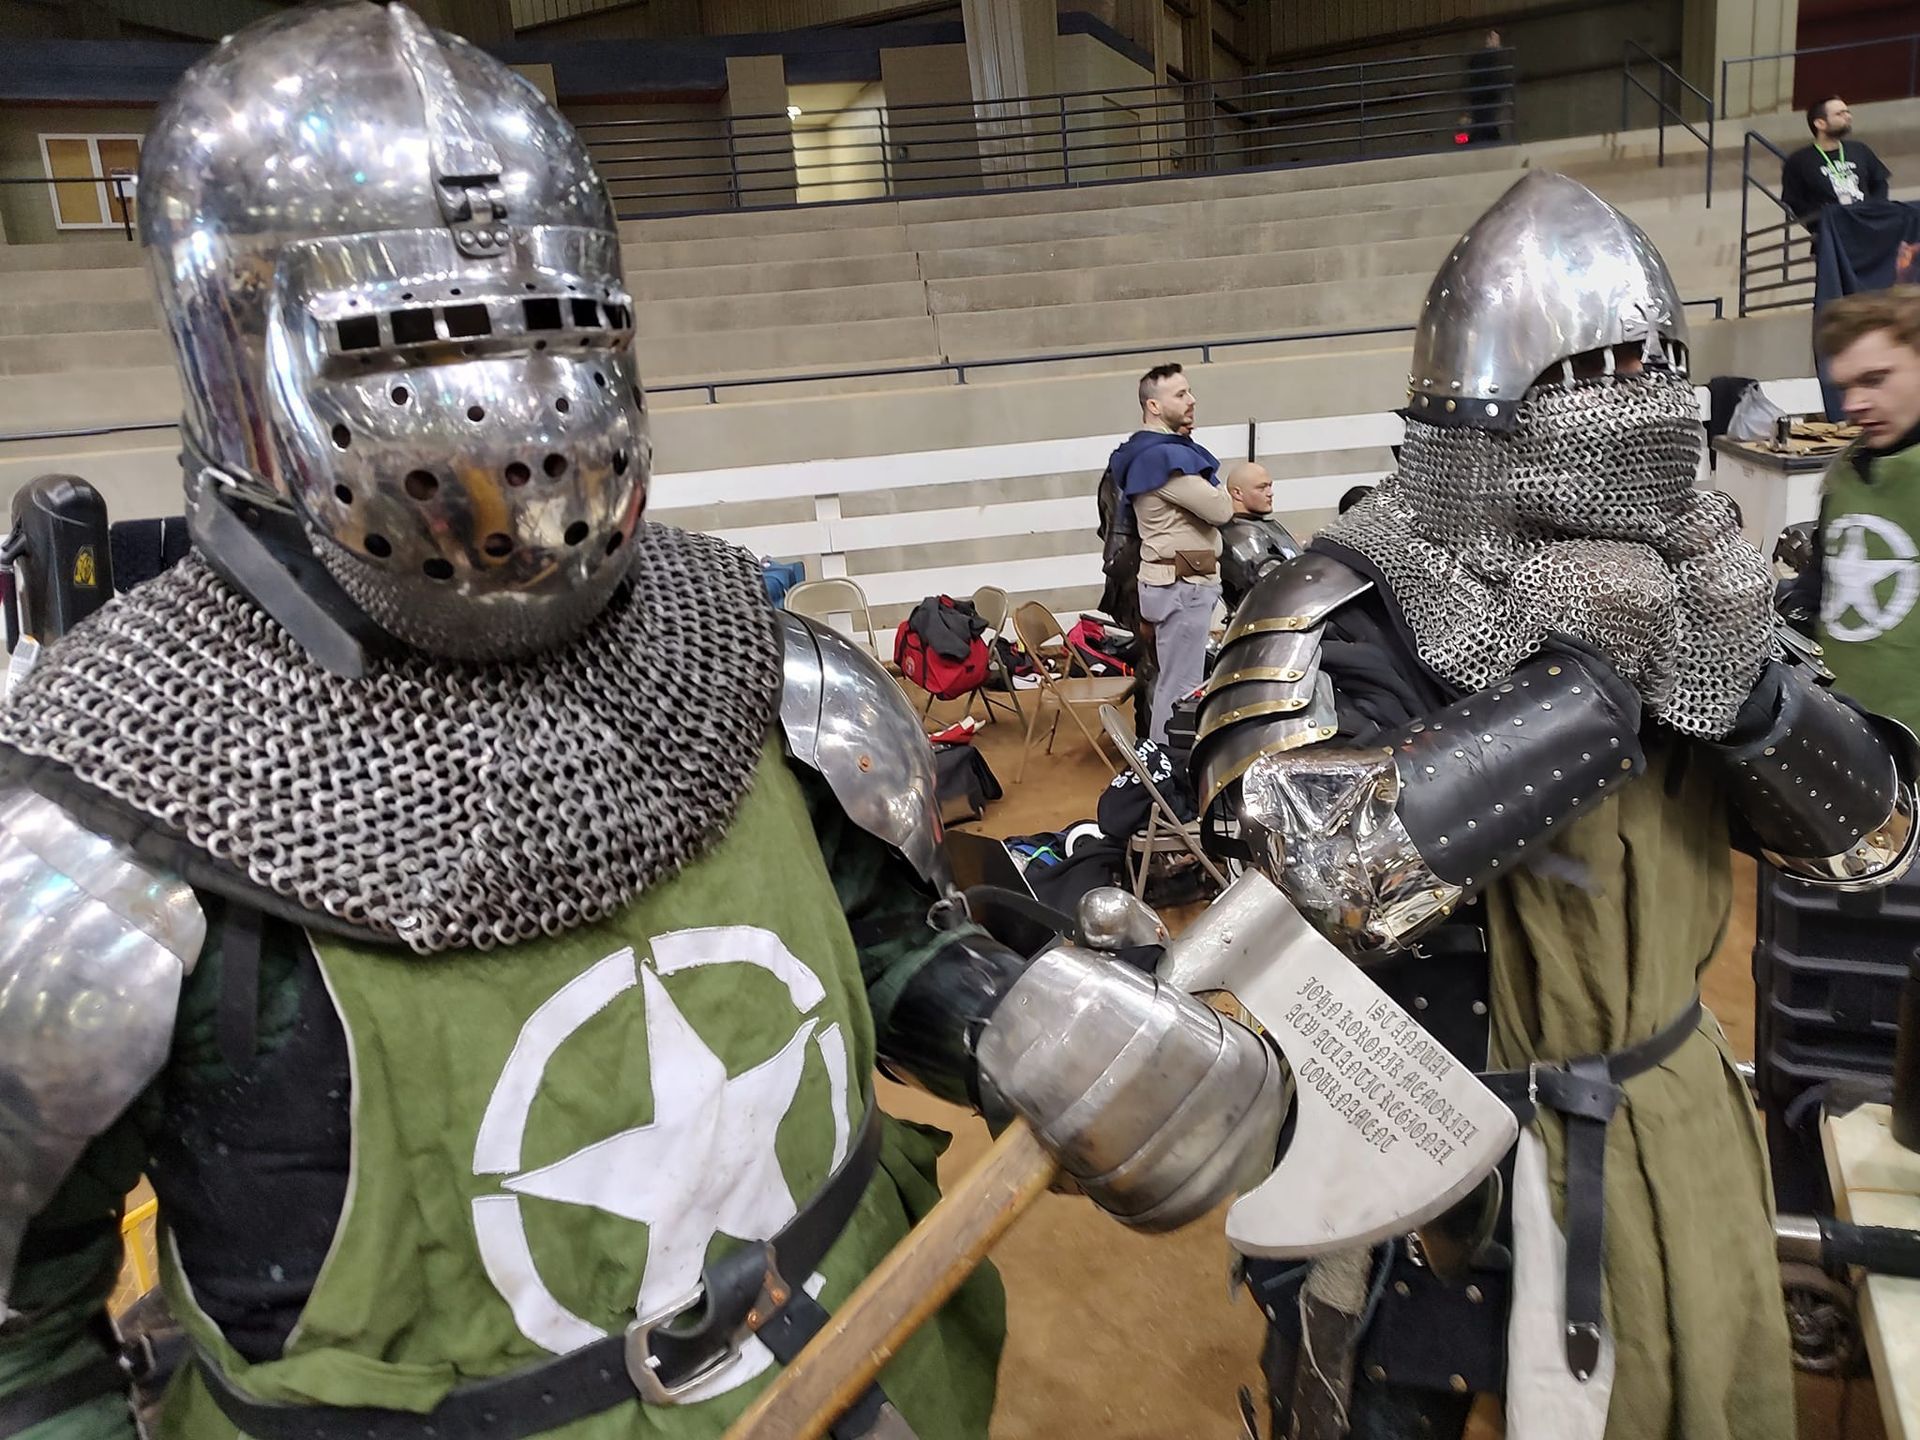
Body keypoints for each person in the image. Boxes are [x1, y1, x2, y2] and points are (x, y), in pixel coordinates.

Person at [0, 9, 1290, 1439]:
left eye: (563, 326)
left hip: (872, 1363)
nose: (517, 404)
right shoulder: (105, 806)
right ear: (242, 361)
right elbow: (20, 1338)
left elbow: (870, 936)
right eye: (409, 339)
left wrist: (1015, 1023)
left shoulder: (749, 661)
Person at [1196, 171, 1918, 1440]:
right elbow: (1313, 883)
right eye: (1591, 382)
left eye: (1652, 371)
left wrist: (1742, 690)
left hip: (1679, 1131)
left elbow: (1870, 840)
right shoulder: (1348, 601)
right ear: (1481, 416)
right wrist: (1585, 684)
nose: (1633, 410)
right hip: (1432, 1172)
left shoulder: (1700, 574)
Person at [1779, 286, 1920, 735]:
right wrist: (1795, 613)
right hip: (1846, 725)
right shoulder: (1848, 471)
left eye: (1875, 379)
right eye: (1846, 387)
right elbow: (1825, 578)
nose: (1853, 404)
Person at [1108, 363, 1230, 744]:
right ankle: (1166, 771)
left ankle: (1160, 766)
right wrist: (1226, 492)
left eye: (1189, 391)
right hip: (1183, 584)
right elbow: (1222, 509)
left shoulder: (1155, 453)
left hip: (1175, 581)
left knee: (1171, 684)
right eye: (1180, 394)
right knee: (1181, 688)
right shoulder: (1161, 459)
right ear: (1154, 406)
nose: (1191, 400)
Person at [1782, 96, 1892, 235]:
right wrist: (1822, 221)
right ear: (1820, 123)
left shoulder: (1859, 149)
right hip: (1832, 232)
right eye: (1839, 114)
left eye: (1847, 112)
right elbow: (1795, 201)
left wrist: (1874, 209)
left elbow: (1880, 182)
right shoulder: (1799, 160)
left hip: (1867, 226)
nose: (1847, 117)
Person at [1218, 462, 1301, 611]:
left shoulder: (1256, 525)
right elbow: (1270, 579)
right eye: (1261, 488)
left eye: (1270, 486)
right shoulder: (1240, 532)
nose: (1270, 493)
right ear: (1237, 493)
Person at [1466, 30, 1506, 144]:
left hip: (1483, 97)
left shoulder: (1481, 58)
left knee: (1484, 122)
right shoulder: (1488, 58)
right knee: (1485, 123)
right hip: (1486, 96)